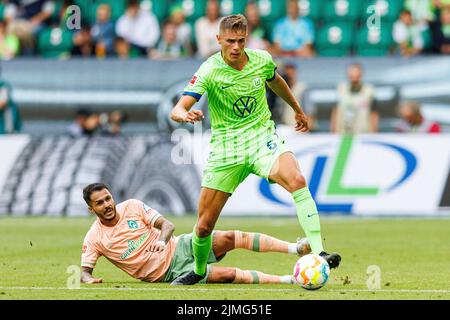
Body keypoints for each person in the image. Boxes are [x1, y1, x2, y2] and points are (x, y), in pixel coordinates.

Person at [169, 14, 341, 285]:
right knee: (203, 225)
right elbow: (180, 106)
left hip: (262, 139)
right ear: (218, 40)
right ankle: (200, 270)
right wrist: (182, 114)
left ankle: (319, 252)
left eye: (240, 41)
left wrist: (297, 110)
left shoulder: (261, 60)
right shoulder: (209, 69)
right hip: (227, 149)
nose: (235, 47)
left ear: (246, 39)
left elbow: (276, 81)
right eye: (229, 42)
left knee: (297, 180)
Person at [80, 183, 312, 285]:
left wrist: (161, 242)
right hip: (169, 272)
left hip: (180, 246)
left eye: (108, 198)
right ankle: (289, 280)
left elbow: (167, 225)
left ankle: (295, 248)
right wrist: (88, 279)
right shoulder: (94, 238)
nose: (107, 205)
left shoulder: (131, 205)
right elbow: (84, 272)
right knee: (228, 274)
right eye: (100, 203)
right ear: (92, 209)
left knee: (230, 238)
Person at [330, 63, 379, 134]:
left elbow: (374, 113)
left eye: (356, 75)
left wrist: (374, 131)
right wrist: (333, 131)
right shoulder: (341, 89)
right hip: (343, 134)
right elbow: (335, 111)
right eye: (351, 75)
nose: (354, 77)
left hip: (364, 134)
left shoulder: (369, 91)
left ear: (361, 74)